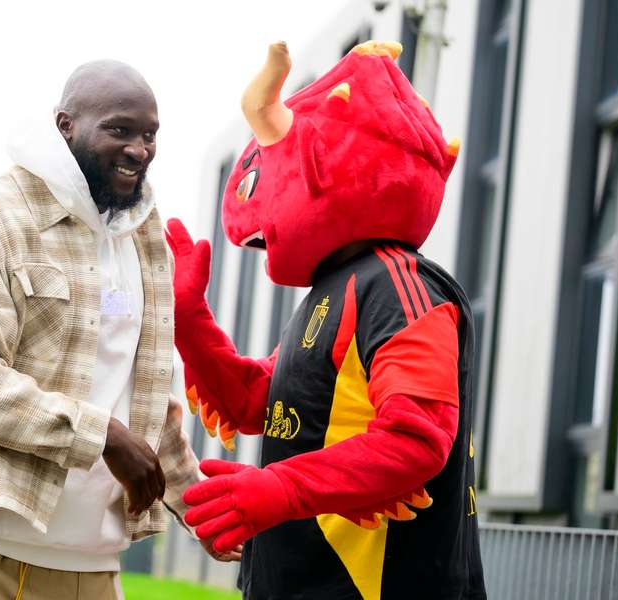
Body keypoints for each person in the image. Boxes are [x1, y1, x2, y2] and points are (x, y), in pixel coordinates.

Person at [0, 60, 236, 600]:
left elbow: (143, 399)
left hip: (90, 567)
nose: (139, 150)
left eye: (149, 136)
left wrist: (205, 514)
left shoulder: (144, 239)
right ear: (64, 126)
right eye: (119, 130)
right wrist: (99, 436)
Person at [169, 41, 486, 598]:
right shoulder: (332, 291)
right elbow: (259, 404)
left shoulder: (398, 283)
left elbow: (417, 436)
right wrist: (189, 319)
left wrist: (280, 490)